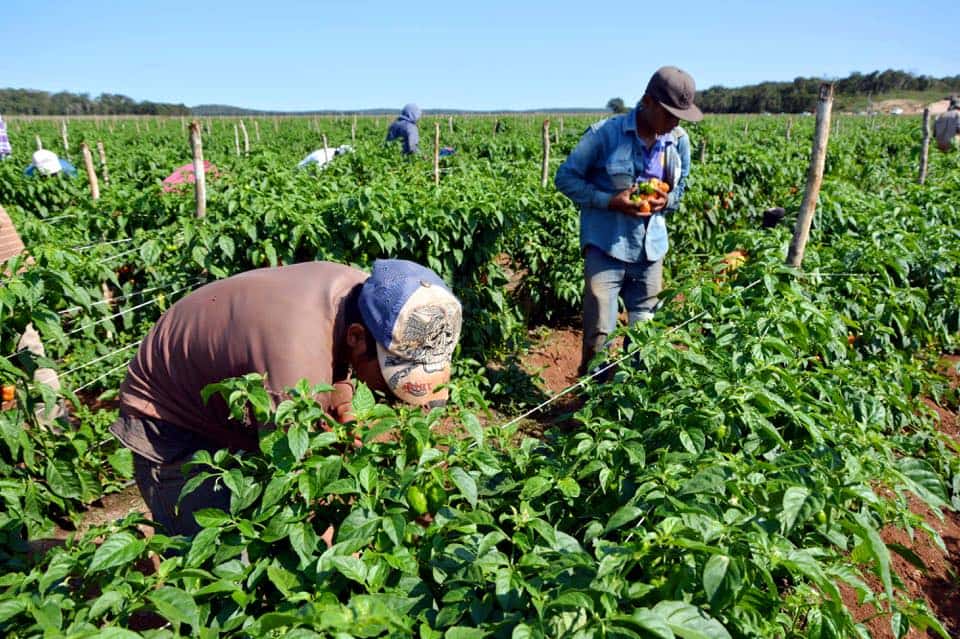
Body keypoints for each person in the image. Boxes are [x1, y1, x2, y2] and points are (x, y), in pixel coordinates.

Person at [110, 258, 462, 537]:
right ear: (358, 337)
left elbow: (338, 360)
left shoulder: (378, 298)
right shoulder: (293, 362)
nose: (388, 393)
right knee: (223, 557)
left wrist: (343, 407)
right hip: (168, 420)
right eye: (389, 379)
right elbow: (296, 475)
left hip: (236, 396)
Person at [555, 66, 702, 377]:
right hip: (606, 247)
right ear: (647, 102)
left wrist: (668, 199)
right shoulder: (604, 135)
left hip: (651, 253)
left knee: (645, 336)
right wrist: (610, 200)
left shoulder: (678, 141)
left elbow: (683, 184)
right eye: (669, 113)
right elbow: (565, 178)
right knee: (600, 335)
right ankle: (595, 402)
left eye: (680, 116)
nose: (675, 122)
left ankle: (632, 401)